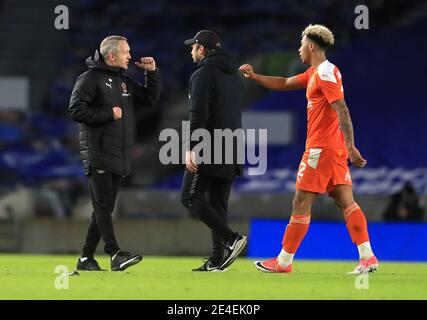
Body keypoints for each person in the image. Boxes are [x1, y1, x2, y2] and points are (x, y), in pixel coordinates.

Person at [240, 24, 378, 274]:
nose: (299, 48)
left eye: (301, 44)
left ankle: (283, 261)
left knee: (300, 202)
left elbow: (342, 108)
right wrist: (255, 77)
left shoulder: (324, 73)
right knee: (345, 201)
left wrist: (351, 146)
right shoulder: (316, 72)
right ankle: (367, 257)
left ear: (311, 46)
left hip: (321, 149)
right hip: (331, 148)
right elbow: (283, 83)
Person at [69, 35, 161, 271]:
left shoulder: (124, 81)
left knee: (104, 208)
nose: (130, 55)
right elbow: (76, 110)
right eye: (126, 52)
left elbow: (150, 99)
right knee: (102, 206)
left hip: (119, 154)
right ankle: (115, 253)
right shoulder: (89, 79)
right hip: (98, 151)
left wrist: (152, 74)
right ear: (112, 55)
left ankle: (85, 258)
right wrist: (109, 114)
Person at [181, 30, 247, 272]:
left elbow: (198, 114)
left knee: (189, 197)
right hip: (232, 146)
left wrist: (192, 147)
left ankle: (231, 238)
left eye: (193, 47)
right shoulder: (234, 76)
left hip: (210, 146)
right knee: (217, 204)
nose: (191, 51)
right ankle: (217, 259)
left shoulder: (203, 74)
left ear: (202, 49)